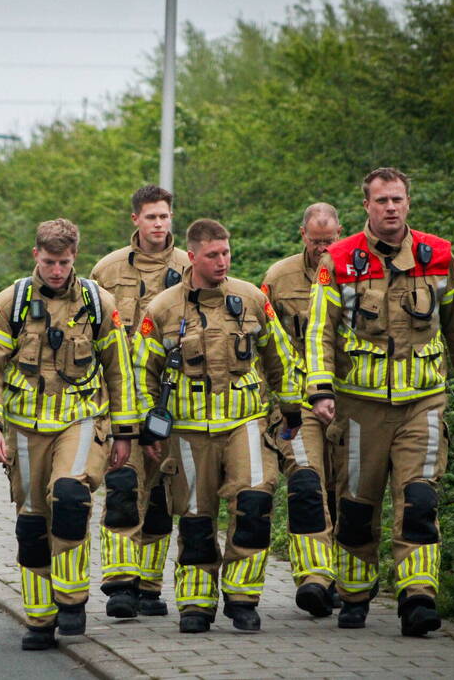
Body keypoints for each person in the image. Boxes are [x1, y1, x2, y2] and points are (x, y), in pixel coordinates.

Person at [305, 167, 454, 636]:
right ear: (366, 205)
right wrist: (320, 388)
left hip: (423, 402)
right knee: (359, 505)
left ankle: (418, 596)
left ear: (408, 203)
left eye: (397, 199)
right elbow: (320, 329)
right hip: (360, 406)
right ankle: (356, 594)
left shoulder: (438, 255)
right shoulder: (339, 259)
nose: (390, 207)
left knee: (420, 499)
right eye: (382, 200)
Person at [0, 218, 139, 651]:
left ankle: (71, 600)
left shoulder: (98, 303)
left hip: (82, 420)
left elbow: (120, 370)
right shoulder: (12, 302)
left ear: (74, 259)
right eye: (49, 262)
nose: (56, 271)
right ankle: (40, 619)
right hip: (25, 428)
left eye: (64, 262)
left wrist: (124, 432)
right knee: (32, 525)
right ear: (36, 257)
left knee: (69, 496)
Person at [132, 218, 303, 634]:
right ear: (193, 257)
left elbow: (278, 353)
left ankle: (243, 597)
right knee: (194, 518)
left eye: (226, 253)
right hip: (188, 431)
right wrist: (146, 427)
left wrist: (293, 405)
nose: (222, 261)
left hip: (245, 423)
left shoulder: (250, 299)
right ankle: (196, 602)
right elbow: (141, 371)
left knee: (255, 503)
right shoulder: (164, 309)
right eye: (213, 255)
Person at [89, 185, 190, 618]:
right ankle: (120, 583)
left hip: (172, 400)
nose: (159, 224)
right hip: (120, 399)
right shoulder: (107, 270)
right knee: (124, 487)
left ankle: (149, 586)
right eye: (151, 216)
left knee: (163, 495)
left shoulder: (190, 266)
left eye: (164, 216)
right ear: (136, 220)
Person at [261, 203, 343, 618]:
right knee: (308, 483)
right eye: (316, 241)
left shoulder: (355, 269)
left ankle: (345, 579)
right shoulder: (278, 278)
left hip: (349, 397)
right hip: (299, 401)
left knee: (345, 489)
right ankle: (314, 576)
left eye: (331, 241)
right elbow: (263, 343)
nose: (324, 249)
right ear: (302, 235)